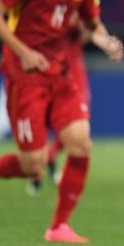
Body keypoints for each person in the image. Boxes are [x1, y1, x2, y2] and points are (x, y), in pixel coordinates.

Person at [0, 0, 124, 243]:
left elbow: (91, 25)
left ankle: (58, 226)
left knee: (80, 144)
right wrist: (23, 52)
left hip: (63, 77)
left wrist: (106, 42)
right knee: (32, 165)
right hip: (27, 77)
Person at [27, 11, 91, 195]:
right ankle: (36, 172)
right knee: (40, 119)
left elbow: (90, 31)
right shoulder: (43, 4)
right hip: (47, 70)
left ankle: (51, 157)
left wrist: (85, 31)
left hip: (73, 71)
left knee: (77, 122)